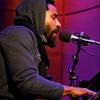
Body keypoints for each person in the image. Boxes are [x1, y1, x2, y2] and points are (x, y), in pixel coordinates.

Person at [0, 0, 96, 100]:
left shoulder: (30, 39)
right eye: (53, 17)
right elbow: (26, 82)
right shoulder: (18, 33)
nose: (59, 24)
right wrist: (71, 90)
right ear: (38, 15)